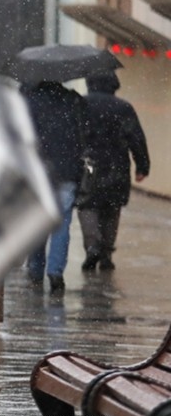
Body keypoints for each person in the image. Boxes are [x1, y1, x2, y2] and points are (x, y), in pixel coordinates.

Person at [78, 70, 150, 271]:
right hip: (117, 165)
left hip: (89, 165)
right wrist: (143, 166)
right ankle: (106, 253)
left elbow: (73, 136)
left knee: (87, 205)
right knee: (111, 208)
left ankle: (92, 245)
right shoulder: (124, 108)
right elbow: (136, 138)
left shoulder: (81, 104)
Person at [21, 80, 87, 291]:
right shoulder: (73, 100)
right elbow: (83, 136)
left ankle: (35, 269)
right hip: (66, 171)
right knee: (62, 223)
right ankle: (55, 271)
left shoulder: (29, 102)